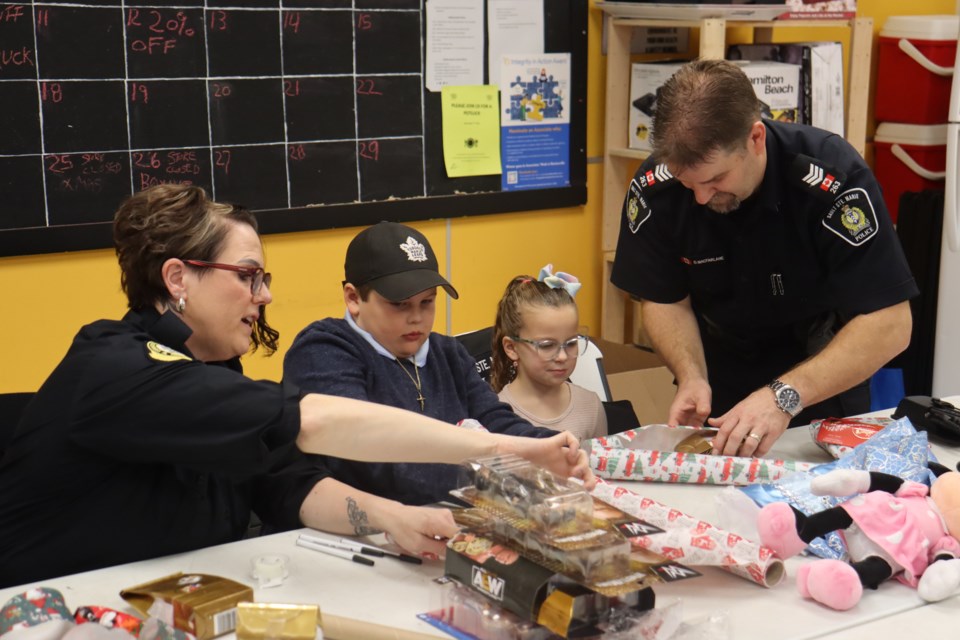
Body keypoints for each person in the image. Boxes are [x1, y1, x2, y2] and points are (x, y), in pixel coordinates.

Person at [0, 185, 592, 588]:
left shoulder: (210, 370)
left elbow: (285, 482)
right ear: (178, 277)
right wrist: (502, 448)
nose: (265, 296)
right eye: (249, 276)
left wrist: (392, 518)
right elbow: (315, 422)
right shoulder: (119, 369)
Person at [610, 59, 916, 458]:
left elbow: (891, 323)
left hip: (821, 378)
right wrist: (690, 375)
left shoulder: (829, 175)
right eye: (689, 184)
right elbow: (665, 299)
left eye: (715, 180)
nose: (701, 198)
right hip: (720, 380)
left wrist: (783, 397)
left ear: (755, 138)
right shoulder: (656, 187)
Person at [282, 222, 564, 553]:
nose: (417, 318)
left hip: (444, 529)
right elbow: (368, 461)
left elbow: (495, 419)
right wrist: (483, 477)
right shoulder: (322, 350)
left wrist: (549, 450)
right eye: (400, 305)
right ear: (354, 298)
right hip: (349, 544)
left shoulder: (447, 353)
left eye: (427, 302)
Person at [490, 266, 607, 441]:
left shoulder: (591, 406)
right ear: (512, 348)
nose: (562, 357)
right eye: (546, 346)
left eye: (571, 343)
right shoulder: (496, 415)